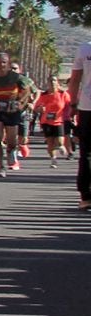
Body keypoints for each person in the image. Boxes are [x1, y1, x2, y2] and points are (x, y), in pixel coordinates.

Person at [0, 53, 34, 177]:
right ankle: (1, 166)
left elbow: (27, 90)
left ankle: (11, 152)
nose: (1, 65)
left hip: (12, 111)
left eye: (4, 62)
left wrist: (21, 103)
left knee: (11, 141)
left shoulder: (16, 77)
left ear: (8, 64)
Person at [69, 37, 91, 211]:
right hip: (85, 107)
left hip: (87, 106)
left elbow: (75, 80)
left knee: (87, 153)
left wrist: (72, 105)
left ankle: (86, 197)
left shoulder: (85, 49)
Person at [33, 75, 73, 168]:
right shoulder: (44, 95)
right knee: (50, 142)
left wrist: (70, 116)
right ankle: (53, 160)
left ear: (57, 82)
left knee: (59, 141)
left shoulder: (63, 94)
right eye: (50, 81)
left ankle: (61, 146)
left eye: (54, 80)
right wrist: (40, 109)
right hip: (46, 122)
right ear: (48, 83)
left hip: (59, 121)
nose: (52, 82)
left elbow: (69, 105)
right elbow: (36, 108)